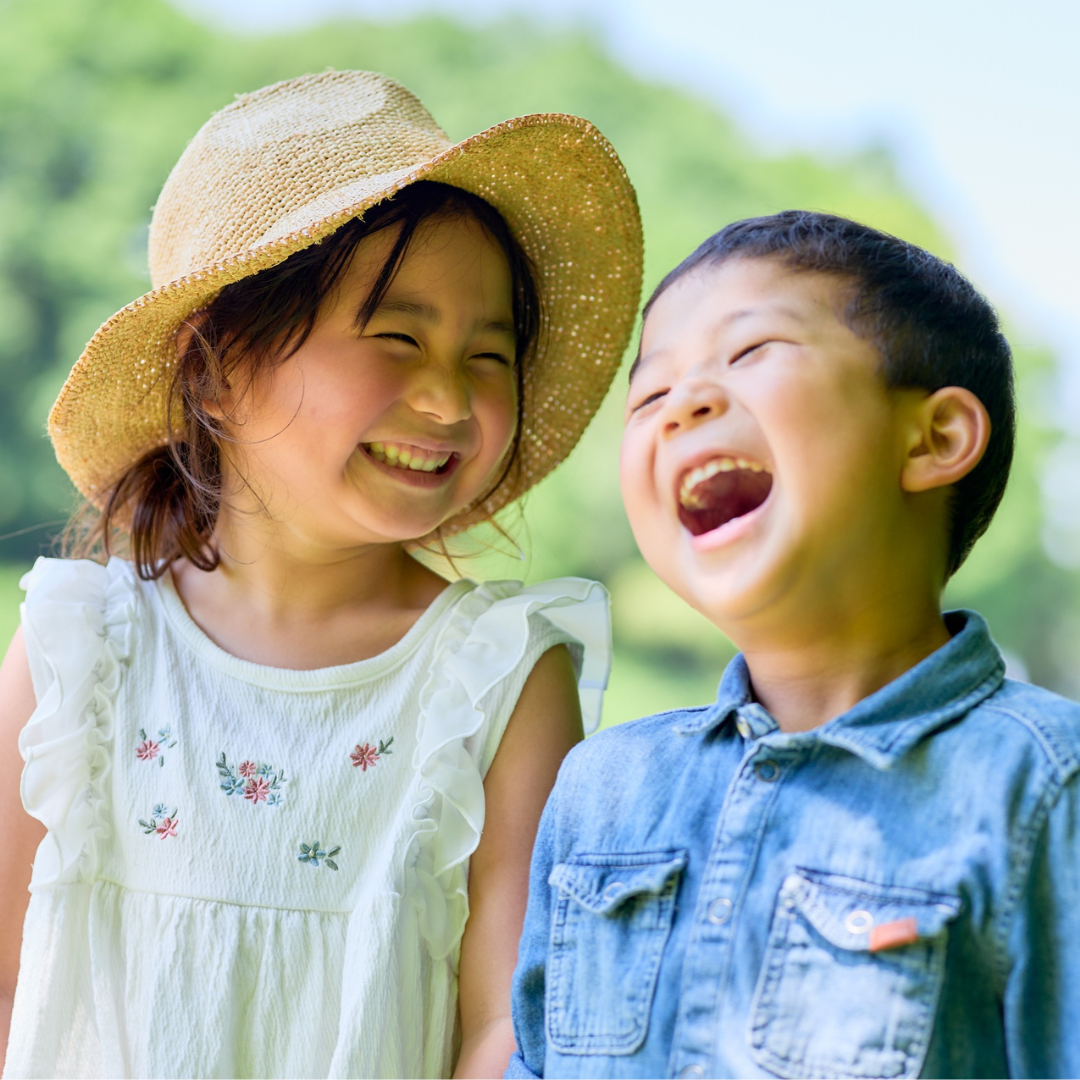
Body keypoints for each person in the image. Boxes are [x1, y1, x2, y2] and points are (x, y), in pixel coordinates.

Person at [0, 70, 642, 1080]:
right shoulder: (79, 647)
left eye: (490, 353)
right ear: (214, 370)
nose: (447, 398)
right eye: (397, 337)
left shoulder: (499, 677)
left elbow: (504, 1026)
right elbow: (8, 980)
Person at [508, 211, 1080, 1079]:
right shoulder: (603, 788)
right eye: (650, 396)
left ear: (935, 438)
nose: (684, 406)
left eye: (750, 353)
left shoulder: (1043, 788)